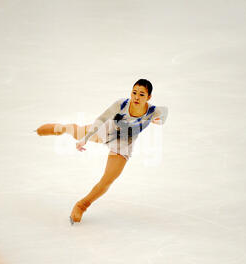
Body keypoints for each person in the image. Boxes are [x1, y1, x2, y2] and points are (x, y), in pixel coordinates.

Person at [35, 79, 168, 224]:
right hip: (108, 129)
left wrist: (159, 120)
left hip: (123, 143)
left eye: (142, 94)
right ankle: (61, 128)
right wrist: (85, 139)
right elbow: (100, 119)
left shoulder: (153, 110)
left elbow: (164, 114)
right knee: (77, 132)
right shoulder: (122, 104)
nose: (136, 97)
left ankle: (82, 205)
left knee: (107, 180)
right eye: (134, 92)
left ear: (149, 97)